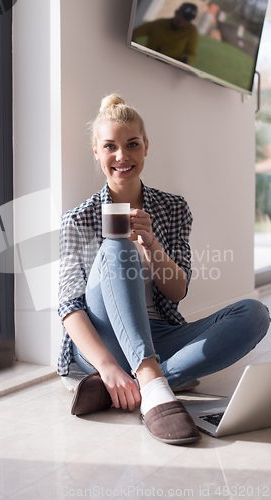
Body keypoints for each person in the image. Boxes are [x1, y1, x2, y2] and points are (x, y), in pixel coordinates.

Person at [57, 93, 270, 445]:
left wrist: (152, 246)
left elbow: (177, 291)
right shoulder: (78, 219)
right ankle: (150, 384)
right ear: (96, 151)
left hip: (161, 334)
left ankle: (135, 385)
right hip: (104, 339)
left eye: (132, 144)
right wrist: (107, 365)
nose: (122, 156)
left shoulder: (173, 208)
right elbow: (69, 307)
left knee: (255, 313)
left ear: (146, 147)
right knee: (115, 246)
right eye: (110, 146)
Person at [132, 3, 199, 65]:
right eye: (179, 19)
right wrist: (135, 48)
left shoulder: (191, 31)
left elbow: (192, 54)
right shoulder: (159, 23)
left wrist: (187, 60)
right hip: (147, 60)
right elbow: (132, 33)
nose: (181, 22)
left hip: (169, 66)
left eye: (186, 20)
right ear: (176, 13)